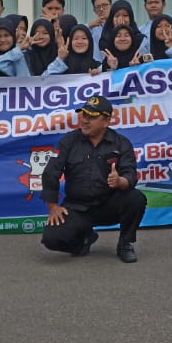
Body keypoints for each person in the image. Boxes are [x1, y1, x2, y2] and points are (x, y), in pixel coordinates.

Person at [39, 95, 144, 262]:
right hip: (77, 207)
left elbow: (130, 175)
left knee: (136, 198)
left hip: (108, 205)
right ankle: (84, 240)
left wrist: (120, 181)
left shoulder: (121, 143)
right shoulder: (69, 140)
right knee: (51, 239)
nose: (85, 120)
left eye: (92, 117)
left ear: (106, 121)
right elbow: (51, 172)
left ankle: (125, 244)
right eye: (84, 115)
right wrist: (52, 206)